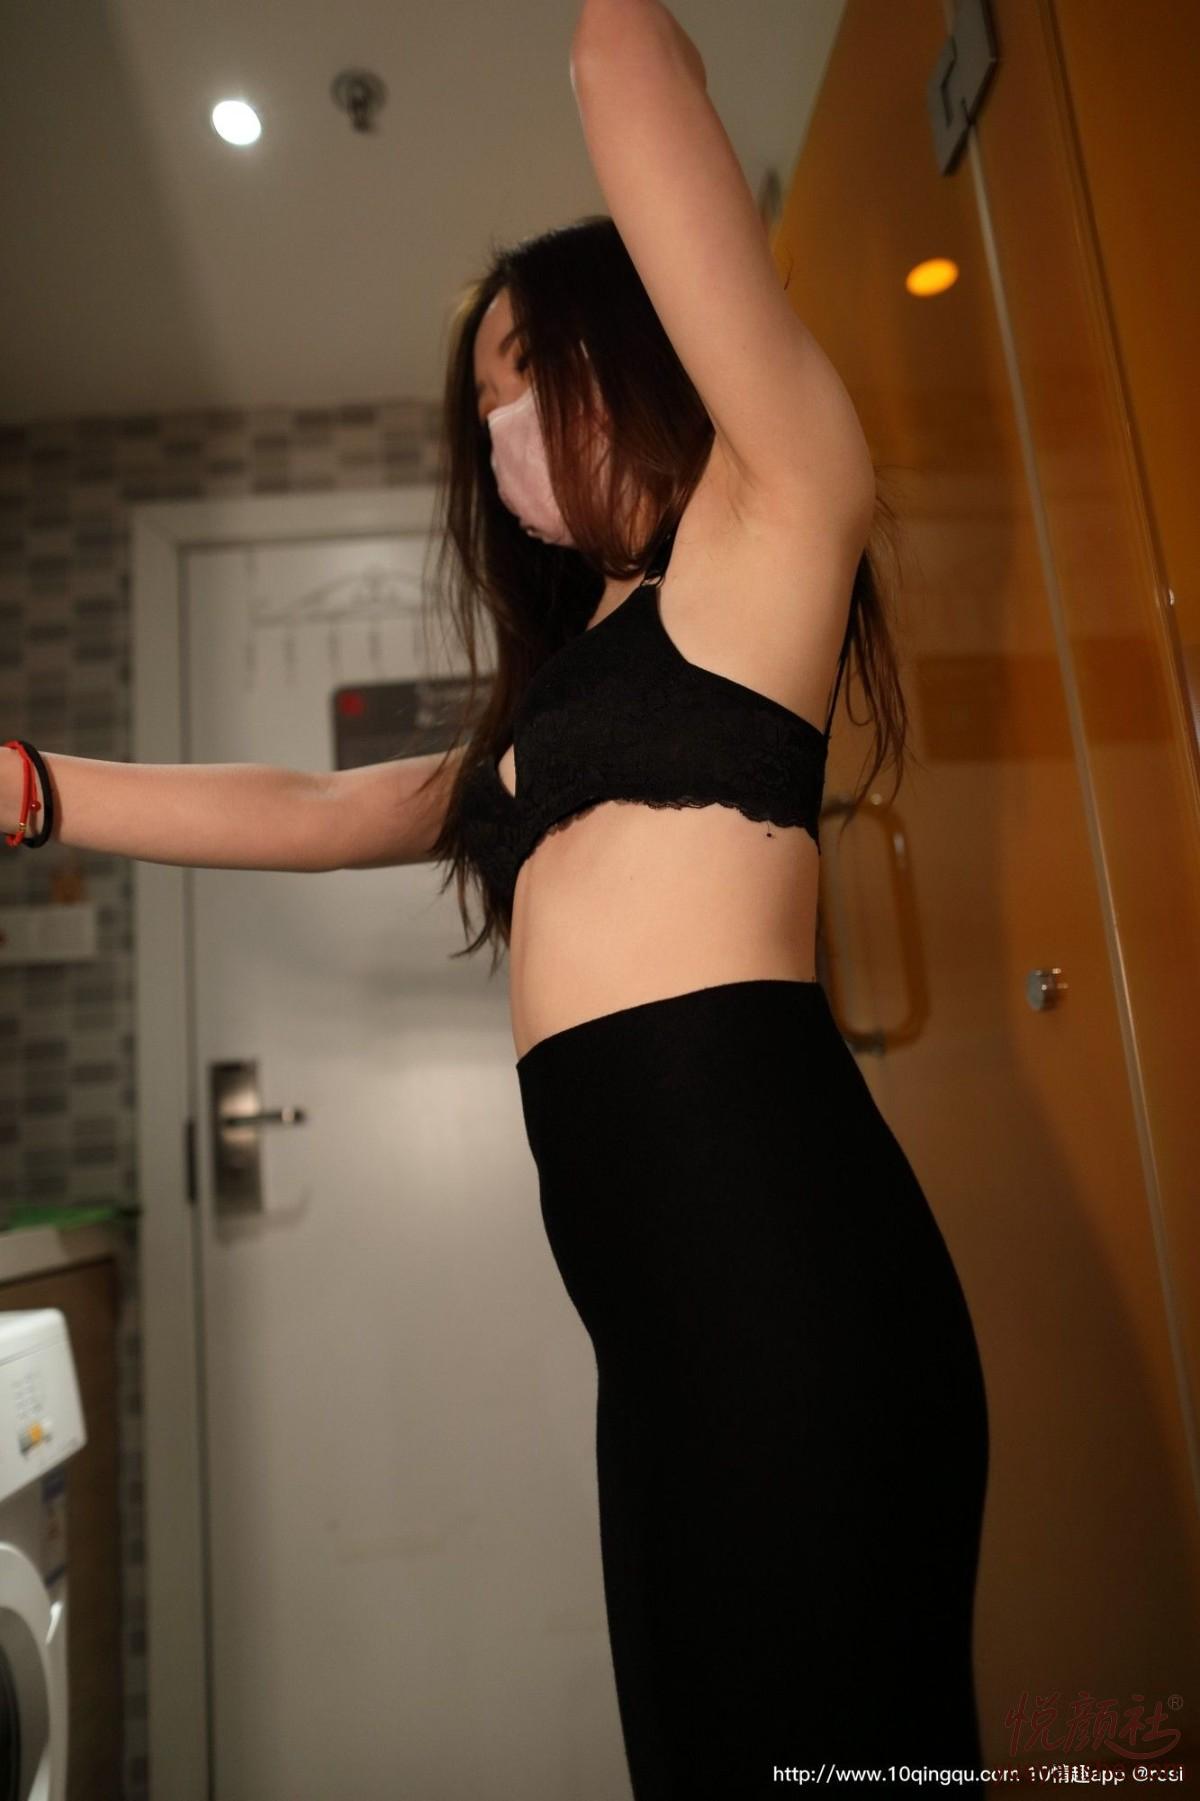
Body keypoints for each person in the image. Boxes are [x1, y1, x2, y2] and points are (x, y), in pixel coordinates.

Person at [3, 7, 989, 1795]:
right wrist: (39, 787)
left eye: (527, 369)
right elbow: (317, 806)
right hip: (655, 1332)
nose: (505, 425)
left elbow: (624, 63)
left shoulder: (775, 514)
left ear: (641, 333)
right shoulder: (564, 694)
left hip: (784, 1275)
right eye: (485, 408)